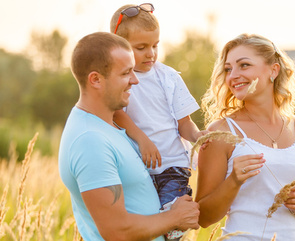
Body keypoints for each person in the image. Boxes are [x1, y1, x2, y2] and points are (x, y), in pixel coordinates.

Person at [58, 32, 199, 241]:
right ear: (95, 79)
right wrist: (174, 217)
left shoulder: (108, 127)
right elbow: (116, 231)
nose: (135, 80)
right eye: (125, 73)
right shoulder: (90, 140)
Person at [196, 33, 295, 240]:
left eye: (244, 65)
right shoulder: (221, 132)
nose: (233, 76)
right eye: (228, 69)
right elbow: (203, 218)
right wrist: (233, 181)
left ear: (273, 70)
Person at [109, 6, 207, 230]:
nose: (150, 53)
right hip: (137, 166)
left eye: (155, 46)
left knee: (172, 220)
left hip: (173, 164)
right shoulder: (118, 79)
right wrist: (142, 140)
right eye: (141, 47)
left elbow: (185, 123)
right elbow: (116, 114)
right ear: (118, 46)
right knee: (147, 220)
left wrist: (197, 136)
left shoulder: (169, 77)